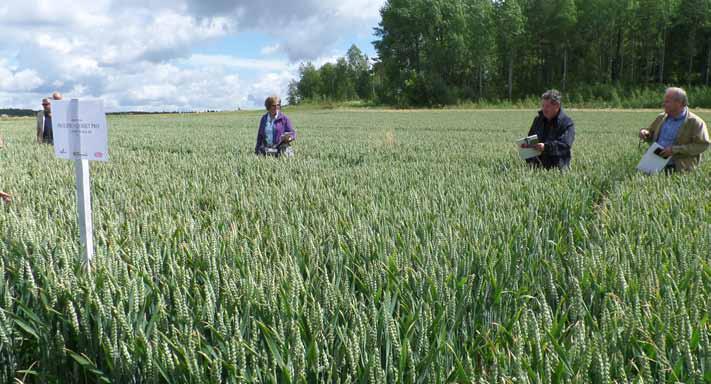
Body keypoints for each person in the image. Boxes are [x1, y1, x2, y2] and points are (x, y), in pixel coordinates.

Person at [639, 87, 710, 172]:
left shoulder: (695, 122)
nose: (663, 104)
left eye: (667, 101)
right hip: (654, 161)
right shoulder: (661, 117)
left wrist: (674, 150)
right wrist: (645, 133)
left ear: (678, 103)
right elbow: (651, 132)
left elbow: (702, 145)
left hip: (678, 167)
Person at [521, 89, 576, 170]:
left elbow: (565, 145)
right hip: (536, 168)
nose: (544, 109)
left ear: (557, 106)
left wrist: (545, 147)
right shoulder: (538, 120)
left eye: (547, 106)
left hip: (557, 168)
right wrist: (526, 147)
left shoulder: (567, 123)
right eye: (543, 106)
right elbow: (530, 139)